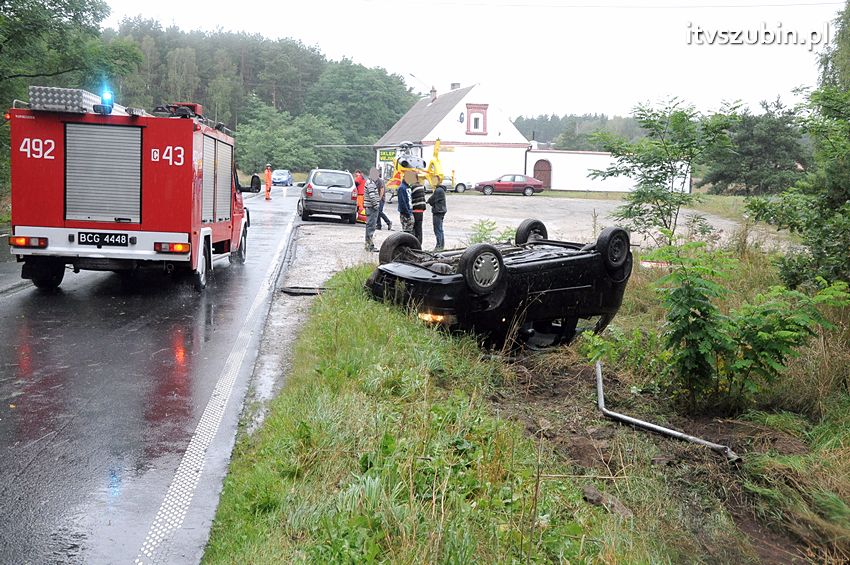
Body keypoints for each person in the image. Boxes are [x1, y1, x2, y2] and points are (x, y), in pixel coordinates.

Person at [427, 181, 447, 250]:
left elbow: (431, 200)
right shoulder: (441, 190)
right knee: (440, 229)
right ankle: (441, 245)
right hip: (441, 211)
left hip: (438, 211)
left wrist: (429, 201)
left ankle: (439, 246)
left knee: (437, 229)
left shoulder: (438, 190)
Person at [363, 171, 381, 251]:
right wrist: (376, 206)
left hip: (370, 207)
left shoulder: (370, 182)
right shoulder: (371, 184)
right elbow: (372, 196)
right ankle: (369, 246)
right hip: (371, 208)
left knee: (369, 226)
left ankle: (368, 245)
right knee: (371, 227)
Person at [410, 177, 426, 244]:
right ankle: (420, 243)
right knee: (419, 228)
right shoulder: (422, 186)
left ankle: (415, 244)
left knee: (414, 228)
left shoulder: (413, 187)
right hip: (421, 210)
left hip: (415, 210)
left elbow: (410, 198)